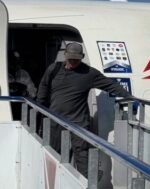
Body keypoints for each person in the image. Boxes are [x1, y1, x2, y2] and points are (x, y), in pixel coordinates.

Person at [37, 42, 132, 174]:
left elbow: (111, 85)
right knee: (53, 152)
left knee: (82, 155)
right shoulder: (53, 69)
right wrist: (39, 107)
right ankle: (54, 183)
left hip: (78, 122)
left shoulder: (89, 74)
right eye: (70, 59)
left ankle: (87, 186)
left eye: (76, 60)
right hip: (55, 120)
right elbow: (43, 86)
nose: (73, 62)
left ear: (81, 58)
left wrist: (129, 97)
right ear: (65, 56)